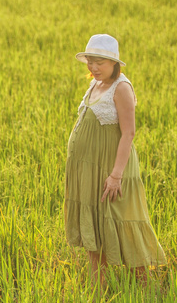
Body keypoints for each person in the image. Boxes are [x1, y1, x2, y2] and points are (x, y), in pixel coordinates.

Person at [64, 33, 167, 288]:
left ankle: (146, 291)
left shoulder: (121, 87)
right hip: (90, 171)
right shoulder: (96, 84)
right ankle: (98, 291)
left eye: (100, 62)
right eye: (90, 61)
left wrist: (116, 175)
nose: (93, 67)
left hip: (112, 169)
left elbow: (128, 132)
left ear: (114, 62)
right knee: (95, 229)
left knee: (123, 223)